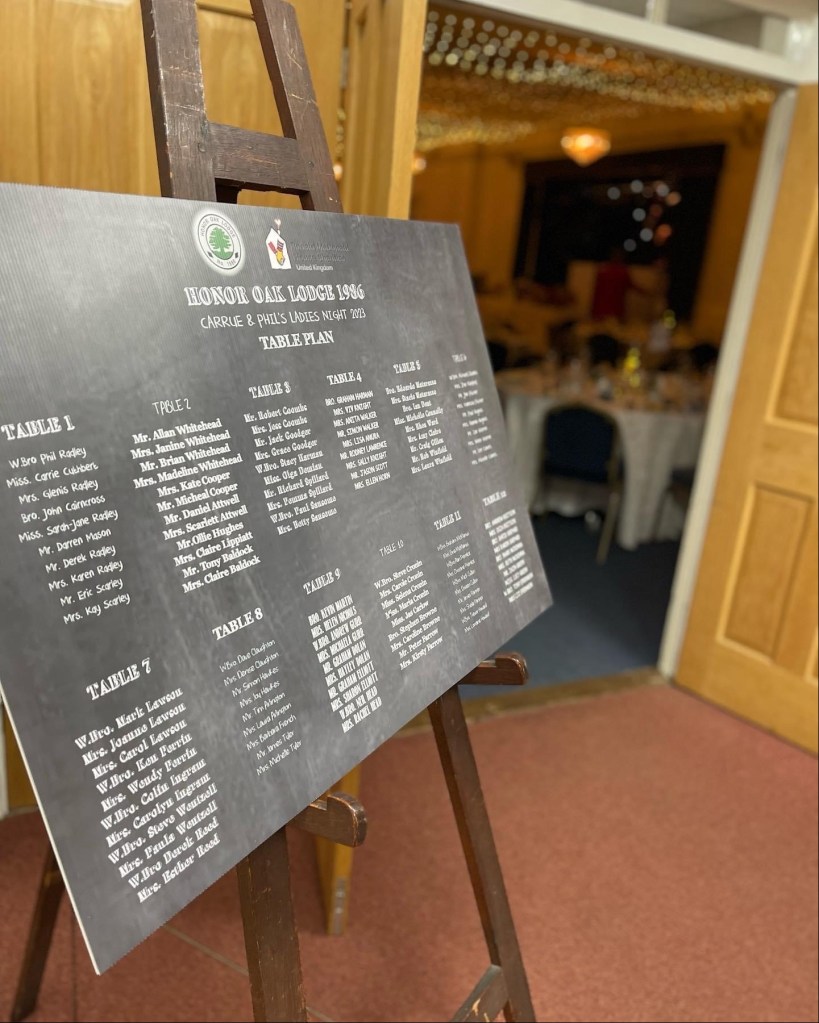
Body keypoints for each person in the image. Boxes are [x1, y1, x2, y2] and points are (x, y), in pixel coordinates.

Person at [591, 247, 650, 322]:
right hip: (612, 311)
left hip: (606, 311)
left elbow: (596, 292)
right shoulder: (620, 272)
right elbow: (597, 292)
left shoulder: (604, 270)